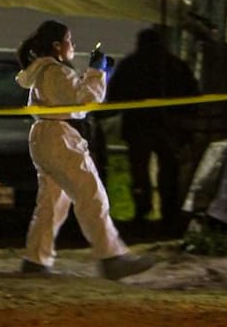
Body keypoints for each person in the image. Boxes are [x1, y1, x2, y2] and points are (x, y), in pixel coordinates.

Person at [15, 20, 155, 279]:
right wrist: (96, 72)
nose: (73, 45)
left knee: (51, 203)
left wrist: (98, 75)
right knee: (92, 196)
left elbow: (73, 96)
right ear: (57, 46)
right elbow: (84, 101)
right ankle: (111, 257)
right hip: (60, 138)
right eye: (70, 40)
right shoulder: (56, 71)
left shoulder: (43, 72)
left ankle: (36, 259)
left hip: (46, 137)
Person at [106, 27, 200, 234]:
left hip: (141, 125)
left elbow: (115, 95)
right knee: (167, 170)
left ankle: (144, 209)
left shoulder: (132, 65)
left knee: (141, 171)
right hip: (166, 126)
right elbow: (192, 95)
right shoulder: (174, 65)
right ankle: (168, 212)